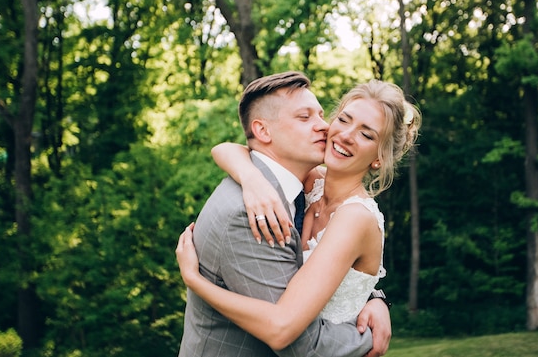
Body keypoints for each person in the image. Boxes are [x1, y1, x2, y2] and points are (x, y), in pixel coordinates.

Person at [176, 74, 420, 356]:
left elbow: (283, 329)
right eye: (343, 120)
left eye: (366, 134)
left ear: (379, 157)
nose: (345, 135)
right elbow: (225, 149)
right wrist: (252, 178)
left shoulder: (355, 217)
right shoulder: (310, 184)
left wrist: (195, 282)